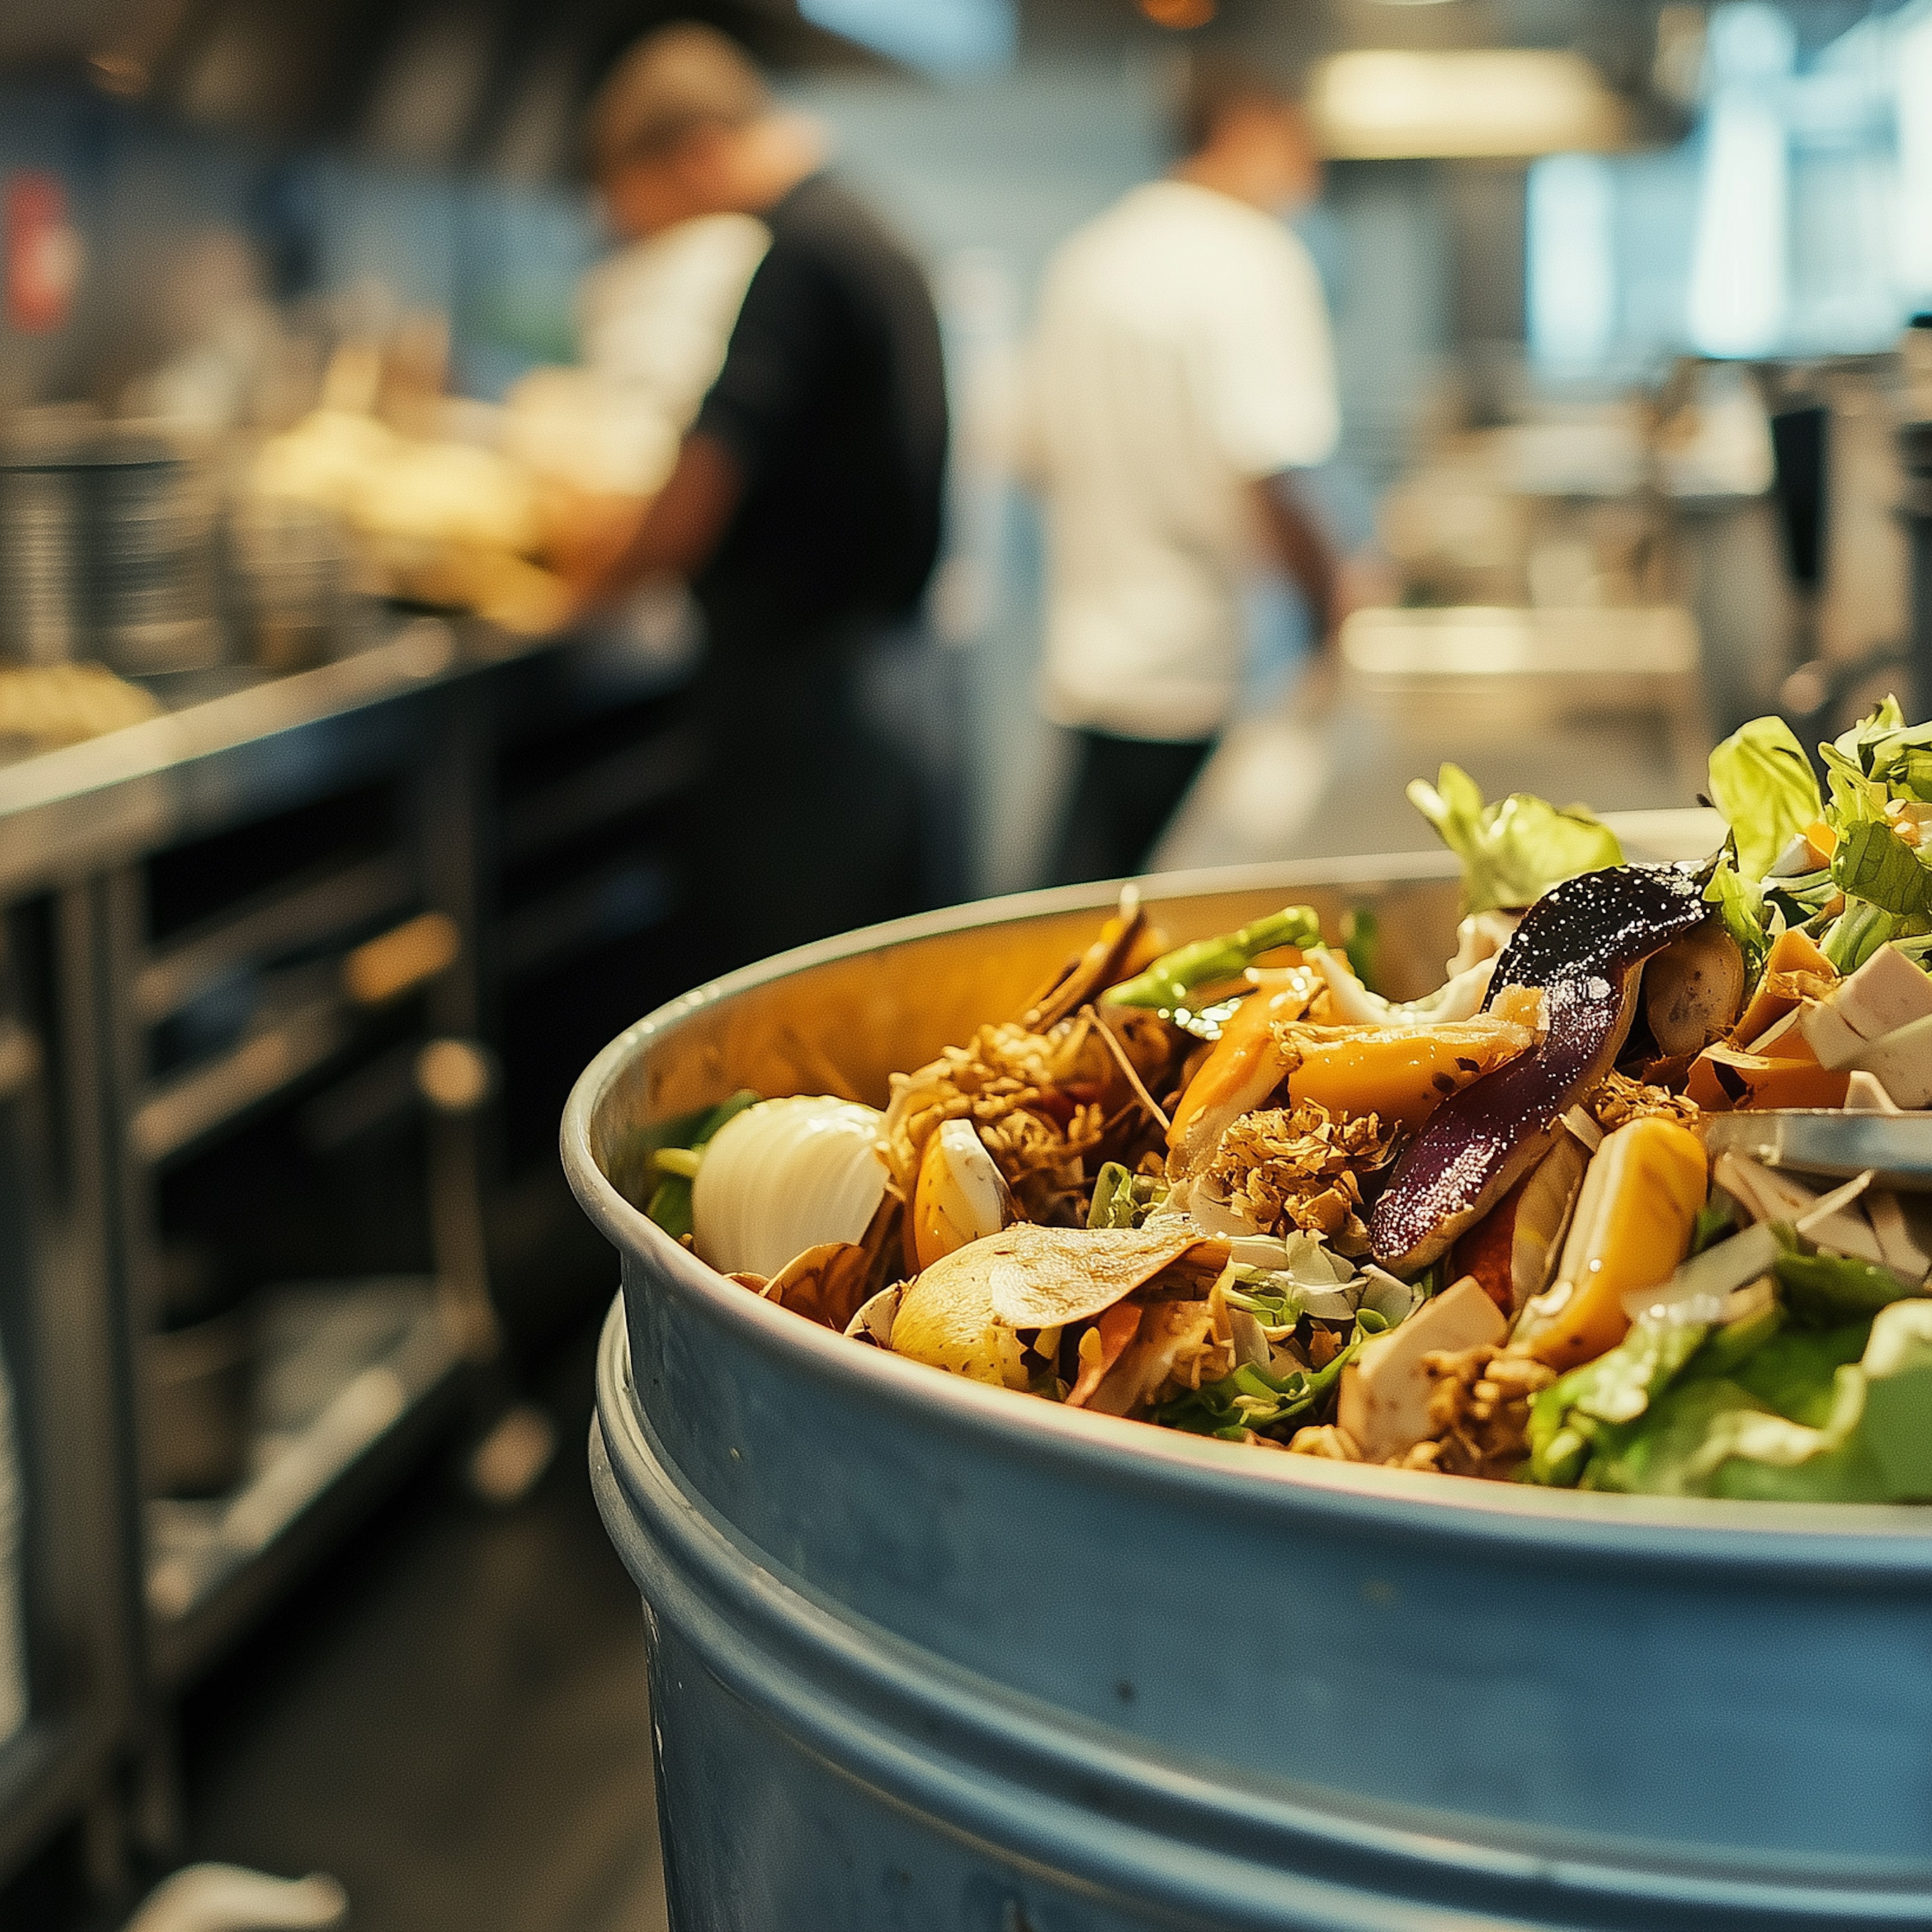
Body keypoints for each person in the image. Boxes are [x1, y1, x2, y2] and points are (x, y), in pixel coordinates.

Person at [574, 24, 949, 965]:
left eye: (654, 212)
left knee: (786, 996)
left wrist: (587, 583)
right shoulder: (866, 231)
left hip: (806, 711)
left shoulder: (800, 257)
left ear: (699, 153)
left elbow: (702, 487)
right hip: (877, 686)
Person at [1027, 58, 1343, 884]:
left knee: (1084, 928)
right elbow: (1271, 476)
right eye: (1301, 141)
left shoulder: (1090, 255)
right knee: (1172, 943)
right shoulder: (1253, 257)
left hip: (1094, 665)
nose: (1313, 168)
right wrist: (1336, 610)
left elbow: (1033, 453)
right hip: (1201, 675)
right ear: (1247, 128)